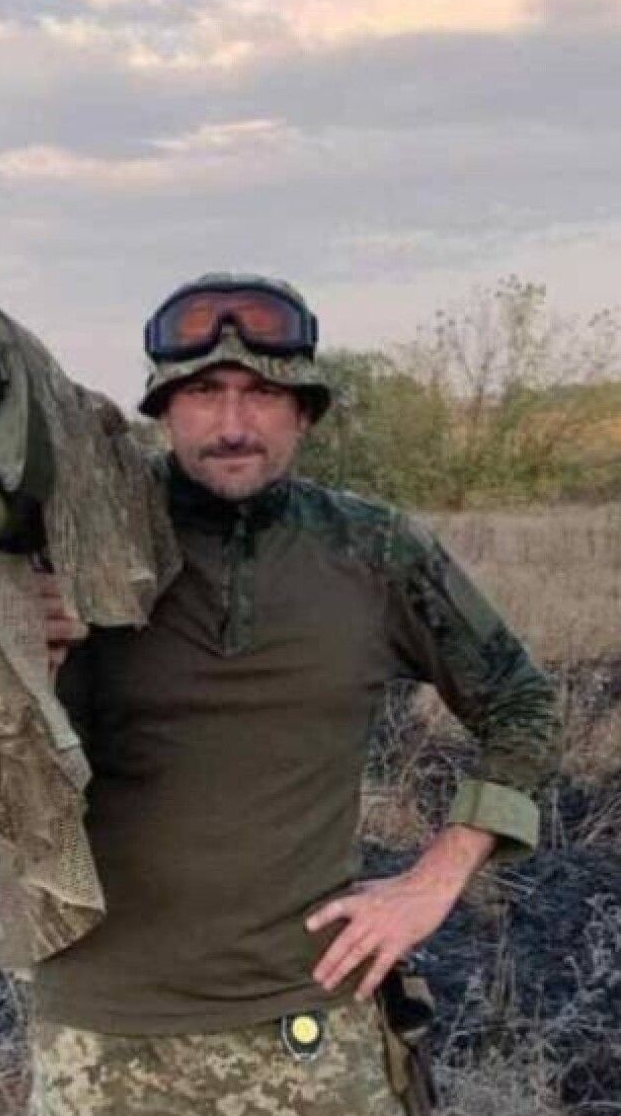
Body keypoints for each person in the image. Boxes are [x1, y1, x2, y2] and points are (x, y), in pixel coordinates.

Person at [30, 273, 560, 1116]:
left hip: (310, 1023)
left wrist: (437, 876)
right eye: (203, 392)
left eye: (264, 393)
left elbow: (522, 702)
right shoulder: (70, 549)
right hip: (100, 1034)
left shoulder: (373, 551)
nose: (233, 424)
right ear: (163, 409)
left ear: (305, 413)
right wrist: (22, 652)